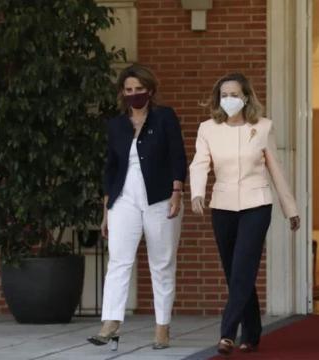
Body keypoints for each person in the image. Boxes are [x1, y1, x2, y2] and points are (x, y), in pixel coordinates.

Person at [189, 73, 300, 356]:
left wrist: (291, 209)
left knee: (243, 268)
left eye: (234, 94)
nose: (229, 100)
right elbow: (199, 163)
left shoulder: (263, 127)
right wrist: (197, 192)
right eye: (224, 95)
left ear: (246, 98)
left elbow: (276, 169)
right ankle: (252, 332)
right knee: (235, 272)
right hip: (222, 206)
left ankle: (227, 333)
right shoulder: (207, 129)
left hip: (256, 204)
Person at [88, 64, 187, 350]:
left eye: (139, 90)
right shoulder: (116, 125)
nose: (134, 95)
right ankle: (110, 322)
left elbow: (178, 155)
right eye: (129, 90)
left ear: (150, 90)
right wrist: (106, 210)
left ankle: (162, 328)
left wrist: (177, 191)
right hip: (124, 197)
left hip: (160, 196)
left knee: (162, 263)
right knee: (119, 260)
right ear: (122, 93)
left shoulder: (165, 117)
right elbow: (111, 168)